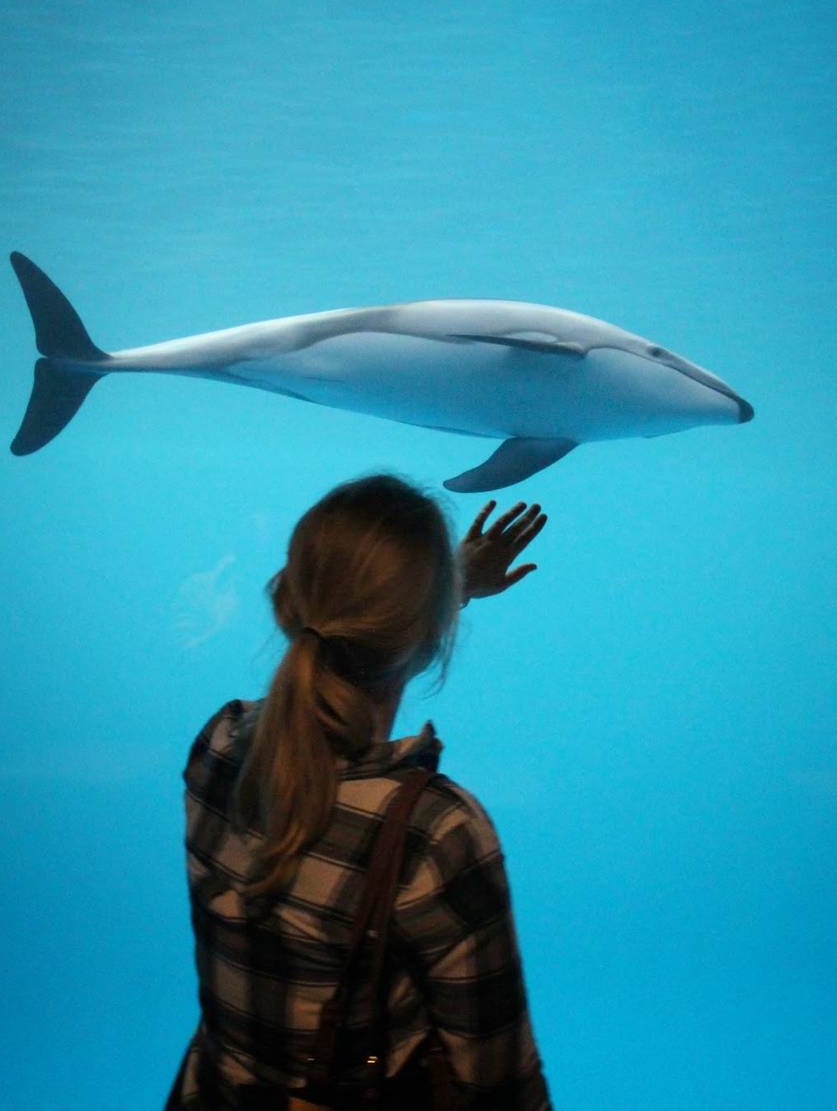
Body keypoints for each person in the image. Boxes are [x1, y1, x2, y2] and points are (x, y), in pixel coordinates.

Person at [167, 473, 552, 1110]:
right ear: (429, 635)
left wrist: (443, 591)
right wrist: (440, 595)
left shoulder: (220, 744)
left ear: (289, 599)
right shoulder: (435, 831)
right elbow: (501, 1083)